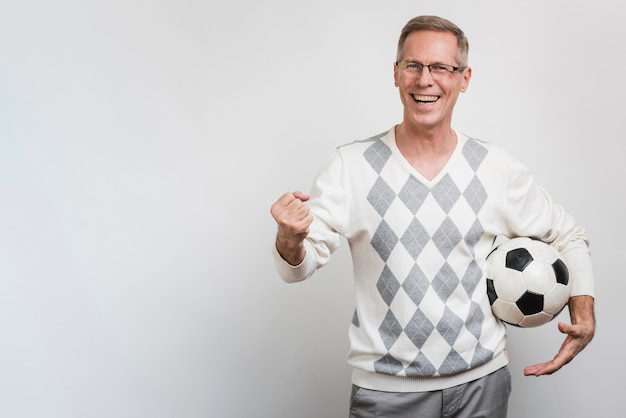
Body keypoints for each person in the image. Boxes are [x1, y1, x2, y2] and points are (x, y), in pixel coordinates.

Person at [270, 15, 595, 418]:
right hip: (387, 395)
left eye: (441, 67)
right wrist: (289, 239)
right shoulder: (350, 166)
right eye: (413, 65)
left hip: (483, 386)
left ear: (464, 78)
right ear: (396, 74)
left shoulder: (495, 167)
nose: (426, 80)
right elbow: (295, 270)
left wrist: (583, 313)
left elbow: (569, 235)